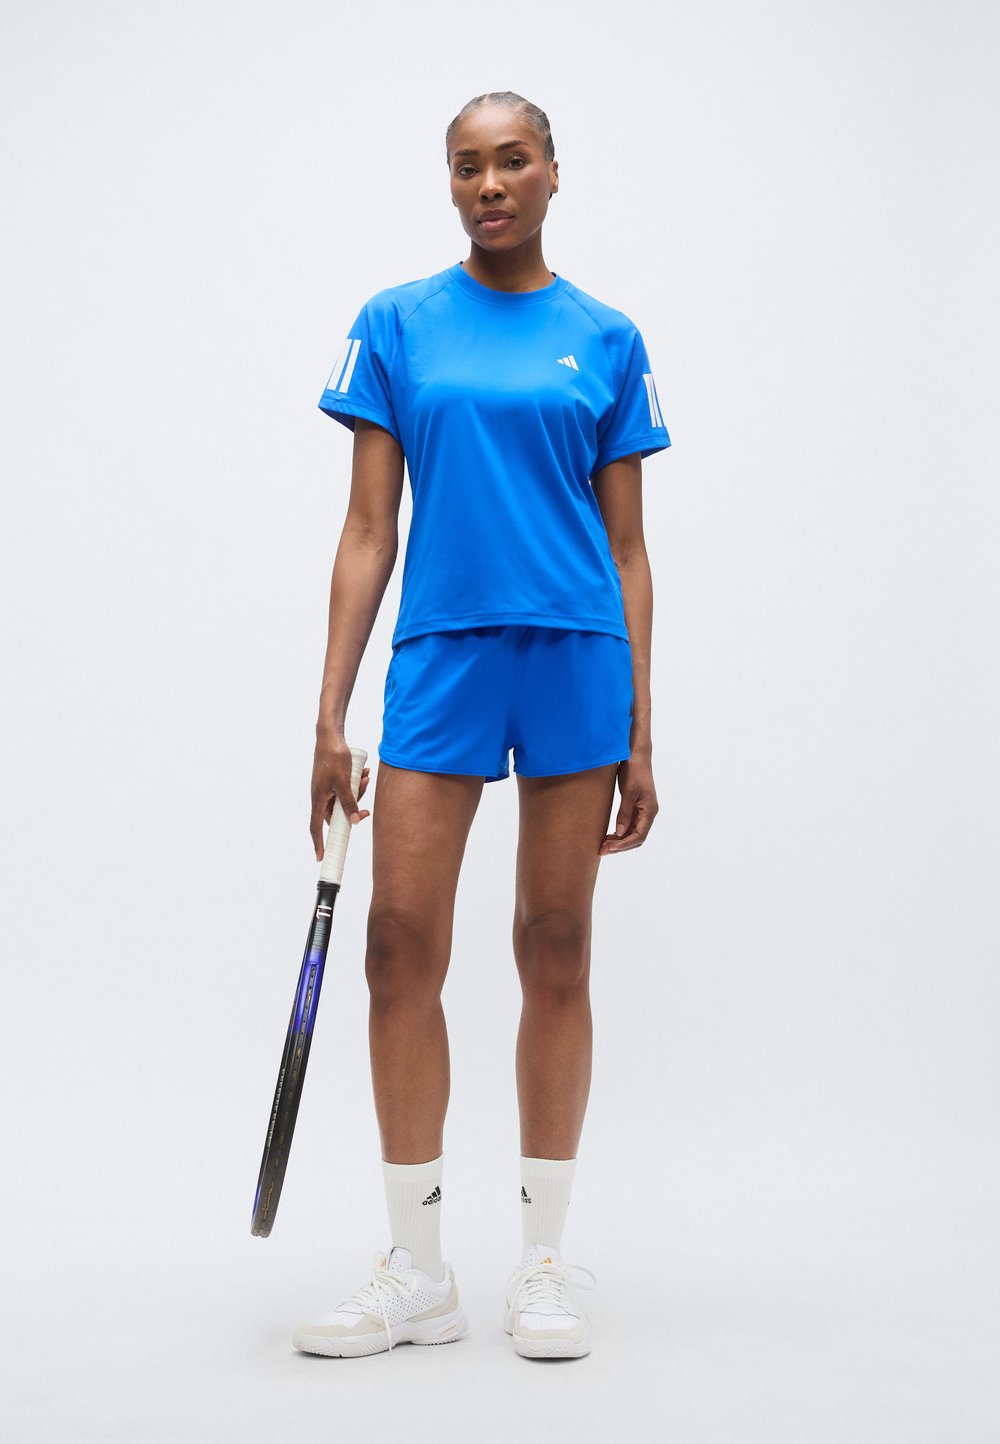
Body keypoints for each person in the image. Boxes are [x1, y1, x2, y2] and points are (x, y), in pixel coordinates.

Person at [291, 90, 671, 1362]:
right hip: (443, 656)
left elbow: (627, 549)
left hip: (573, 656)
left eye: (512, 161)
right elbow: (367, 530)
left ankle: (544, 1262)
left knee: (554, 944)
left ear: (554, 172)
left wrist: (642, 727)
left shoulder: (605, 336)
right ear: (448, 182)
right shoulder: (396, 323)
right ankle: (418, 1270)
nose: (489, 183)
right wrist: (330, 711)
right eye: (466, 166)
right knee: (398, 944)